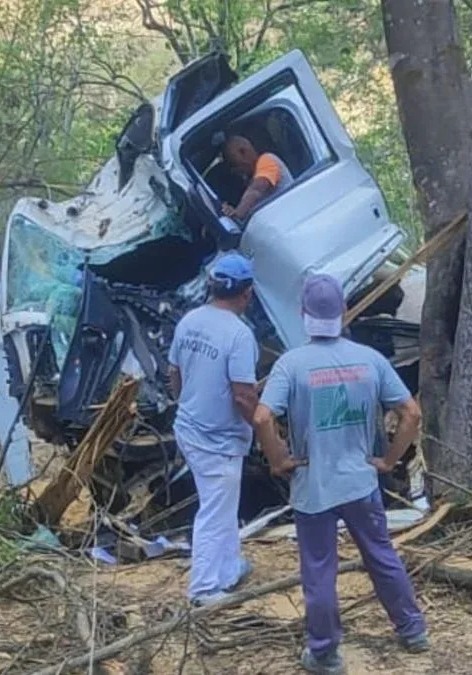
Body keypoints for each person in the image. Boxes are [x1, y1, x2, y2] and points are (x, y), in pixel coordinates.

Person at [254, 274, 427, 674]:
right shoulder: (370, 360)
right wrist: (388, 460)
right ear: (343, 312)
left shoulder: (291, 364)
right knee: (381, 555)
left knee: (319, 570)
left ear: (303, 315)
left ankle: (326, 653)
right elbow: (412, 413)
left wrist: (278, 459)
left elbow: (263, 417)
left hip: (314, 486)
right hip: (361, 482)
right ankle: (413, 629)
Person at [168, 252, 260, 605]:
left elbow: (173, 373)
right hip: (217, 439)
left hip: (189, 428)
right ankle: (204, 588)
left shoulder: (189, 321)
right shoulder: (239, 335)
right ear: (247, 293)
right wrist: (265, 429)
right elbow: (243, 395)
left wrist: (186, 400)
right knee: (214, 510)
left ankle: (228, 569)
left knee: (222, 504)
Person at [220, 135, 293, 221]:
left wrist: (237, 214)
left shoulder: (267, 160)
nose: (234, 170)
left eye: (233, 163)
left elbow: (256, 190)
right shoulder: (251, 178)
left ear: (243, 152)